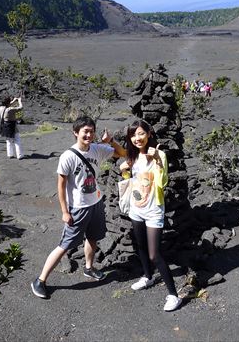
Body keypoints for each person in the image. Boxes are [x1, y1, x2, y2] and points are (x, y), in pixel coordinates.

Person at [31, 116, 126, 299]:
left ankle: (89, 268)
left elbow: (122, 153)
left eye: (91, 131)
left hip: (96, 202)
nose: (89, 135)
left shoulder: (98, 149)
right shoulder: (68, 156)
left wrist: (111, 141)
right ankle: (40, 280)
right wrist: (65, 211)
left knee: (93, 237)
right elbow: (61, 185)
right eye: (85, 131)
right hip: (78, 207)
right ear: (76, 133)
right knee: (65, 245)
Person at [119, 119, 182, 312]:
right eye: (133, 134)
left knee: (155, 253)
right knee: (140, 245)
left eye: (140, 133)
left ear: (149, 134)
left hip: (154, 209)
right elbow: (133, 180)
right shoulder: (133, 156)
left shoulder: (159, 154)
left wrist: (157, 161)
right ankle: (147, 276)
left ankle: (173, 295)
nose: (137, 138)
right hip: (137, 209)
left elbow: (162, 182)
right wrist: (124, 173)